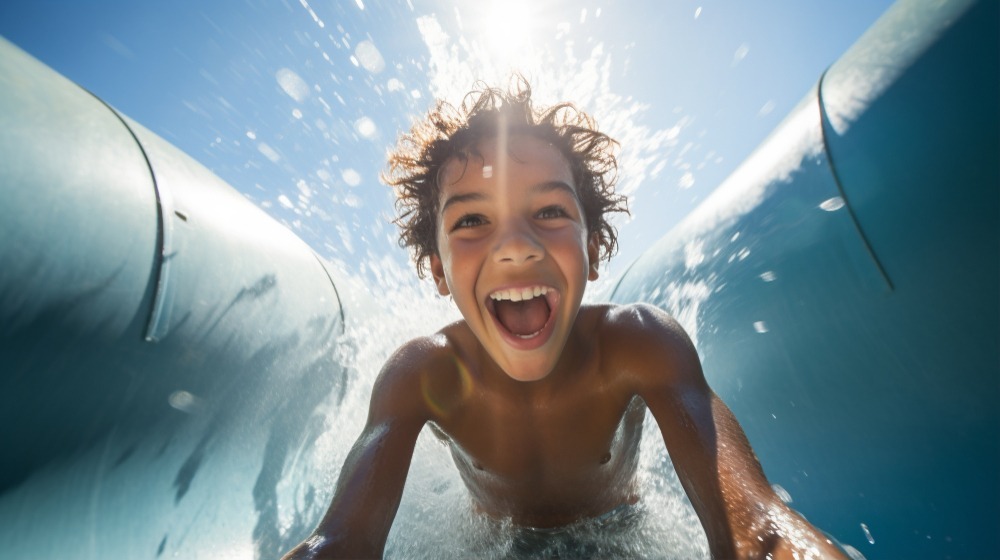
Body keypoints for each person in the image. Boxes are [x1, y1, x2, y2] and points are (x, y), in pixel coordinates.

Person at [283, 77, 848, 560]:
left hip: (618, 536)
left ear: (594, 249)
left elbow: (755, 524)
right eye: (472, 220)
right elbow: (340, 543)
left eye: (549, 211)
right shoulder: (420, 375)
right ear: (437, 271)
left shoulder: (637, 344)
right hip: (493, 545)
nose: (515, 246)